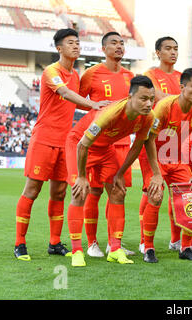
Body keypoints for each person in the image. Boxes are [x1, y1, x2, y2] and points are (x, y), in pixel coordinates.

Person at [14, 28, 109, 261]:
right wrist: (94, 104)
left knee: (59, 191)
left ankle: (54, 243)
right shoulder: (51, 71)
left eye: (77, 42)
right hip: (44, 139)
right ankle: (20, 243)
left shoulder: (76, 74)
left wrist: (103, 105)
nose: (76, 46)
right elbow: (65, 94)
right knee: (32, 190)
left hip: (65, 141)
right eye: (70, 43)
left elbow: (78, 103)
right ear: (59, 48)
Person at [65, 76, 161, 267]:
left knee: (118, 191)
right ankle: (77, 250)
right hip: (79, 144)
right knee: (80, 192)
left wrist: (121, 173)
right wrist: (82, 177)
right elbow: (83, 145)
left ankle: (115, 249)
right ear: (130, 97)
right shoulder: (110, 113)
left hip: (105, 148)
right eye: (143, 98)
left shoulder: (148, 117)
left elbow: (139, 145)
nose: (149, 103)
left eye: (151, 98)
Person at [78, 31, 135, 258]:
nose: (119, 46)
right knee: (94, 191)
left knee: (118, 192)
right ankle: (92, 243)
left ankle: (114, 244)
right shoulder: (91, 73)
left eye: (122, 43)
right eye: (114, 43)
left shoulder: (130, 75)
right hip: (98, 141)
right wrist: (96, 105)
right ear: (103, 49)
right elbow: (80, 101)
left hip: (121, 142)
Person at [141, 68, 192, 262]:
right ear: (182, 87)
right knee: (156, 195)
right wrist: (156, 173)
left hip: (176, 159)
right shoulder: (164, 106)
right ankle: (148, 248)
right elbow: (149, 140)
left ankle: (185, 247)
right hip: (153, 157)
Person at [139, 36, 182, 254]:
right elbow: (158, 96)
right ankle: (144, 241)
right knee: (152, 191)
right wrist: (181, 101)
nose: (172, 52)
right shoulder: (150, 75)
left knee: (181, 194)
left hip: (177, 145)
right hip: (153, 141)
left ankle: (176, 240)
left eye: (175, 49)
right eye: (168, 49)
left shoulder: (182, 77)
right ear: (158, 52)